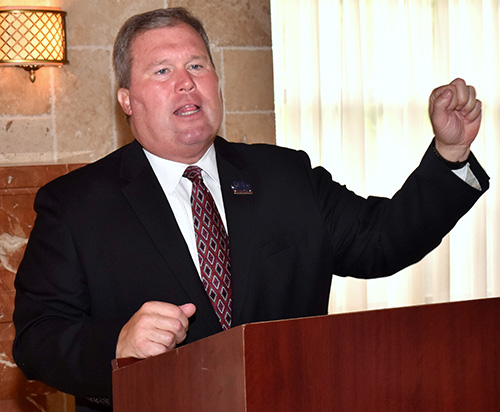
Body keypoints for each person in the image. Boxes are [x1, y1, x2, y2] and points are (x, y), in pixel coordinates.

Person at [12, 7, 488, 412]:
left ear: (217, 84)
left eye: (197, 66)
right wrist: (115, 344)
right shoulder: (75, 204)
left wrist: (450, 157)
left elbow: (383, 241)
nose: (185, 84)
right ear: (127, 101)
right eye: (162, 71)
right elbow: (37, 339)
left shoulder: (286, 176)